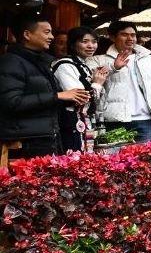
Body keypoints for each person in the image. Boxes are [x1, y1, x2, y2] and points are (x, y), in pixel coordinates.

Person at [0, 16, 90, 158]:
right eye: (46, 32)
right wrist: (58, 96)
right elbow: (11, 102)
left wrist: (68, 98)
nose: (51, 37)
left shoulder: (42, 61)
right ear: (27, 34)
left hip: (47, 136)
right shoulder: (11, 62)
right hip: (26, 141)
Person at [97, 21, 151, 143]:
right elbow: (94, 83)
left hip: (146, 120)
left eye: (133, 35)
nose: (130, 38)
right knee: (115, 155)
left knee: (147, 155)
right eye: (124, 34)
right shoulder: (100, 59)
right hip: (114, 120)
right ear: (112, 37)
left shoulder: (150, 59)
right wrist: (113, 68)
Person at [52, 26, 111, 152]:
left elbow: (98, 101)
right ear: (73, 44)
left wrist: (97, 81)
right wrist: (97, 84)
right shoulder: (64, 65)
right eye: (85, 41)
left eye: (94, 42)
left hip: (85, 123)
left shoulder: (83, 65)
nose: (91, 46)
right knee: (73, 158)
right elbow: (79, 97)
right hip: (70, 124)